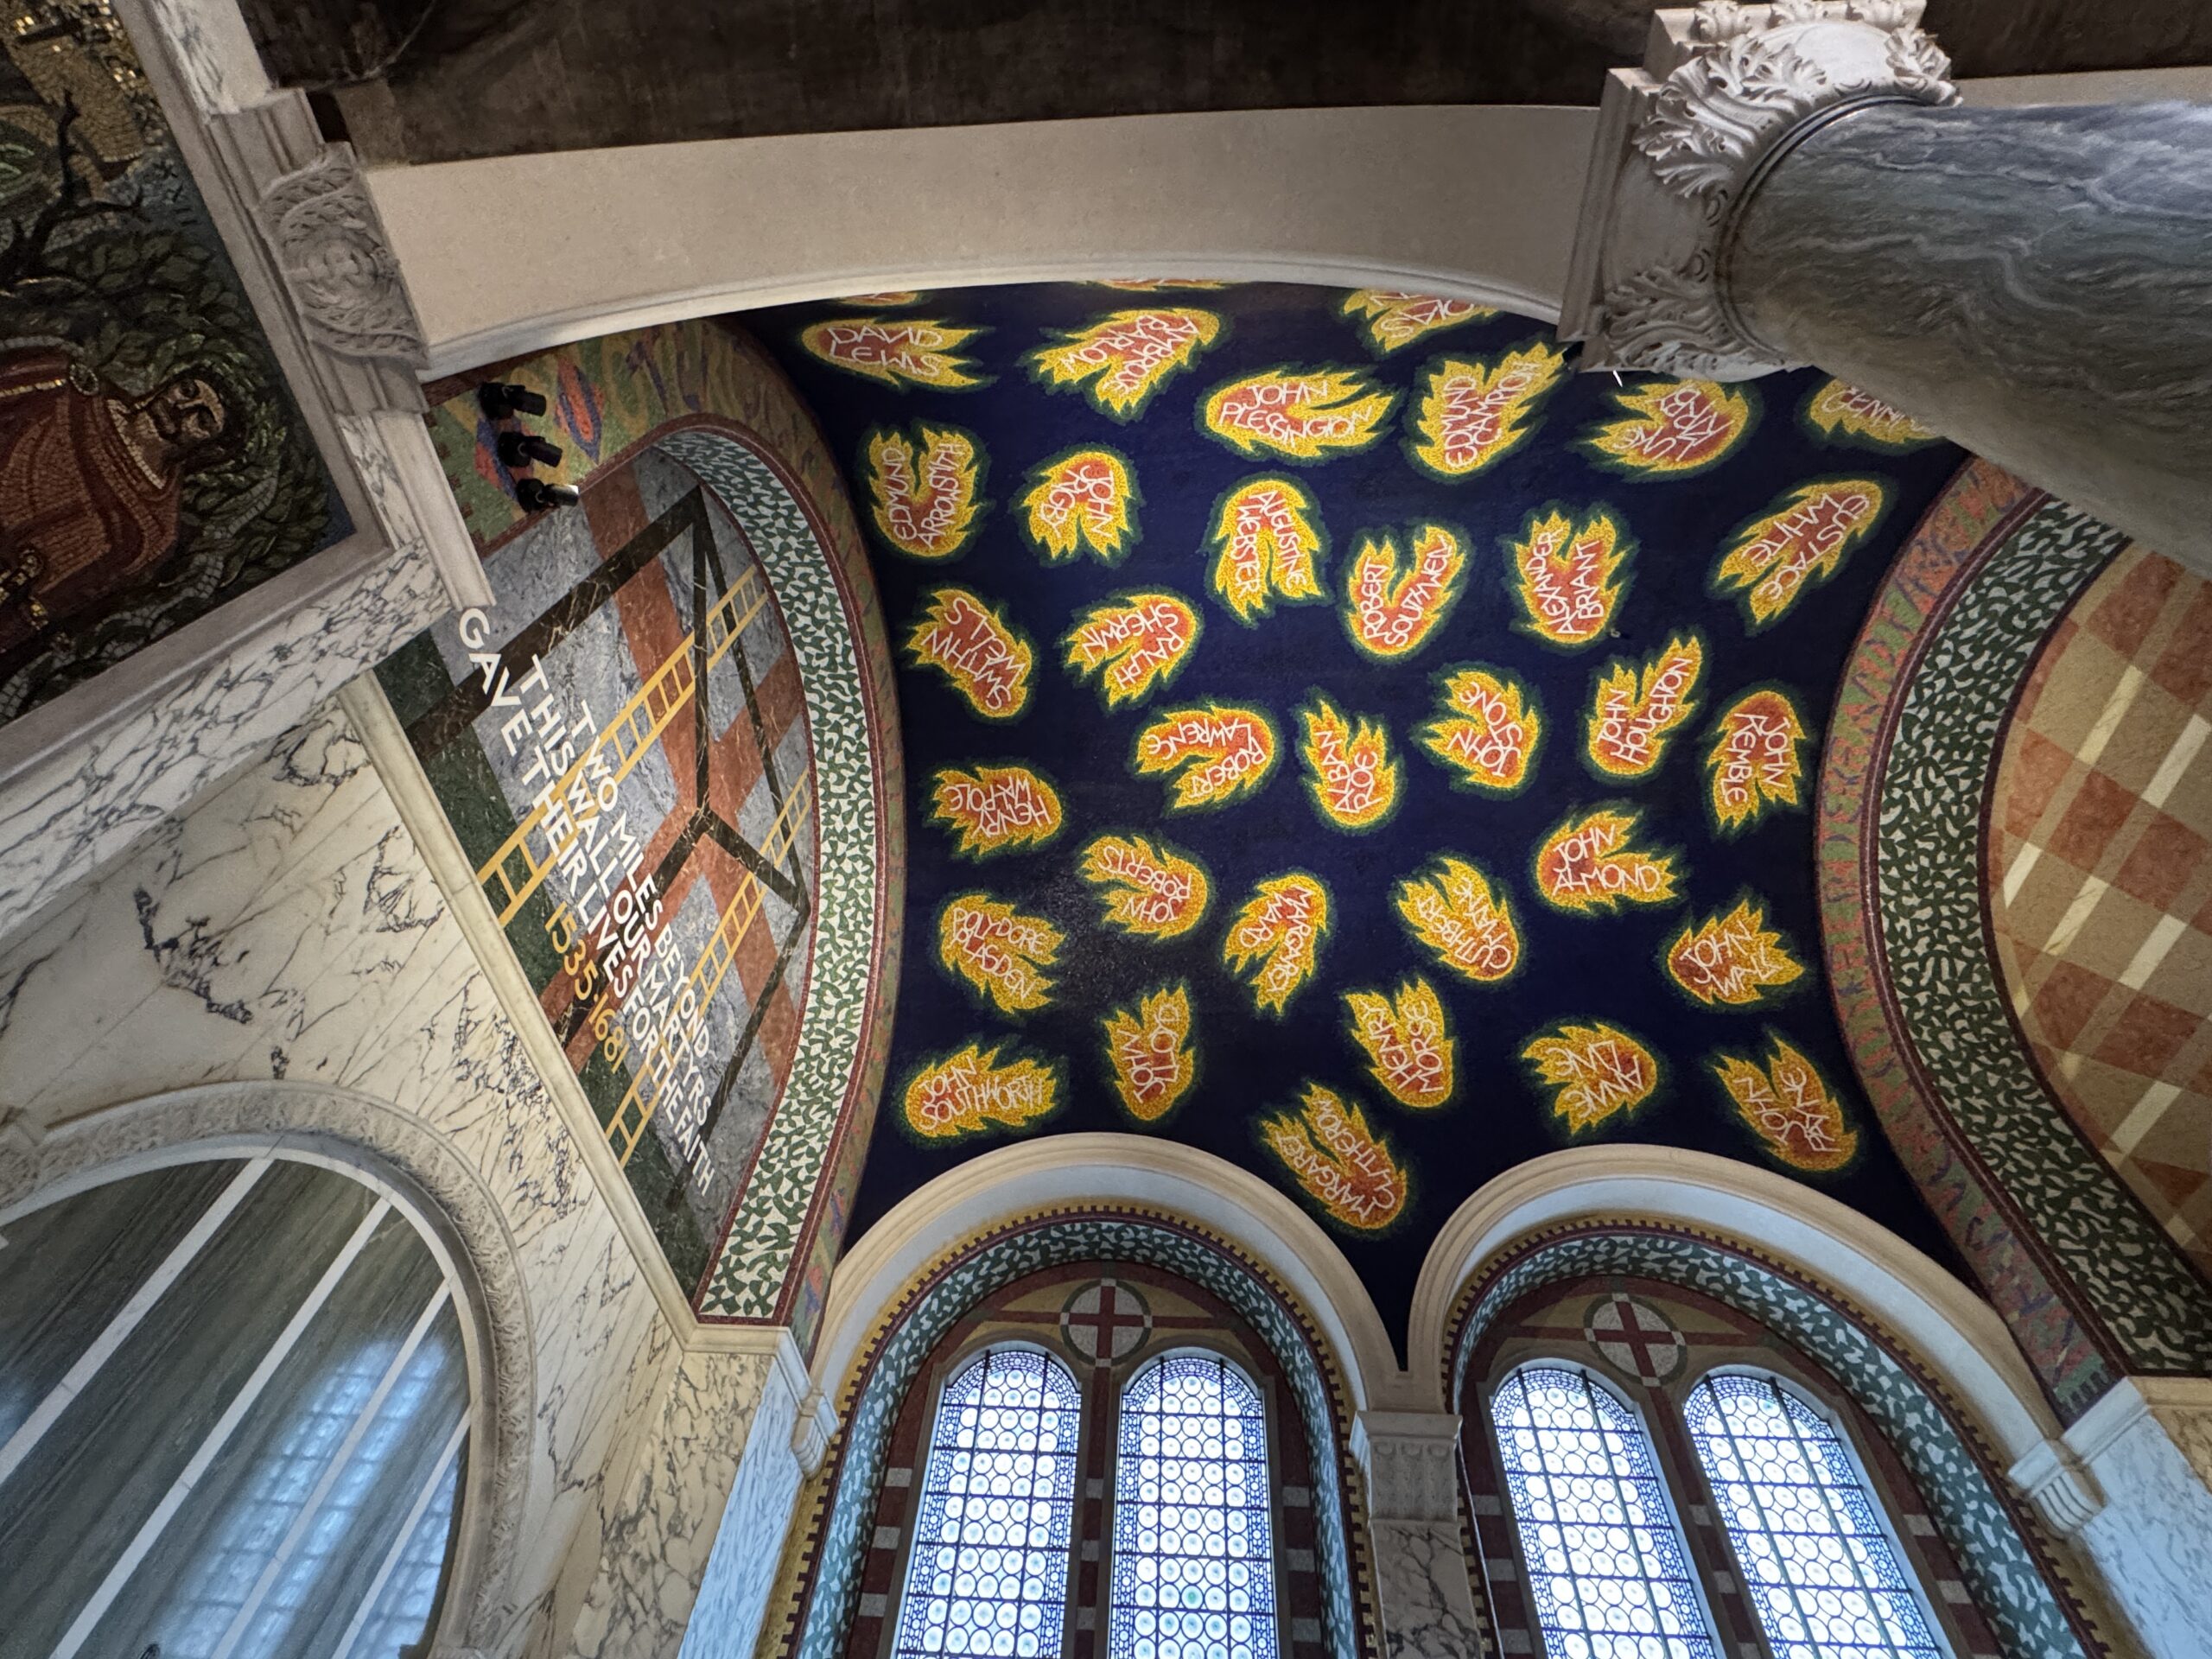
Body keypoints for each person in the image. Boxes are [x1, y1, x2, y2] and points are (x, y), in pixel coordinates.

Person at [0, 348, 244, 652]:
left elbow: (42, 607)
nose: (183, 407)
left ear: (209, 448)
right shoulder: (71, 392)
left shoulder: (152, 530)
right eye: (187, 390)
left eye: (202, 419)